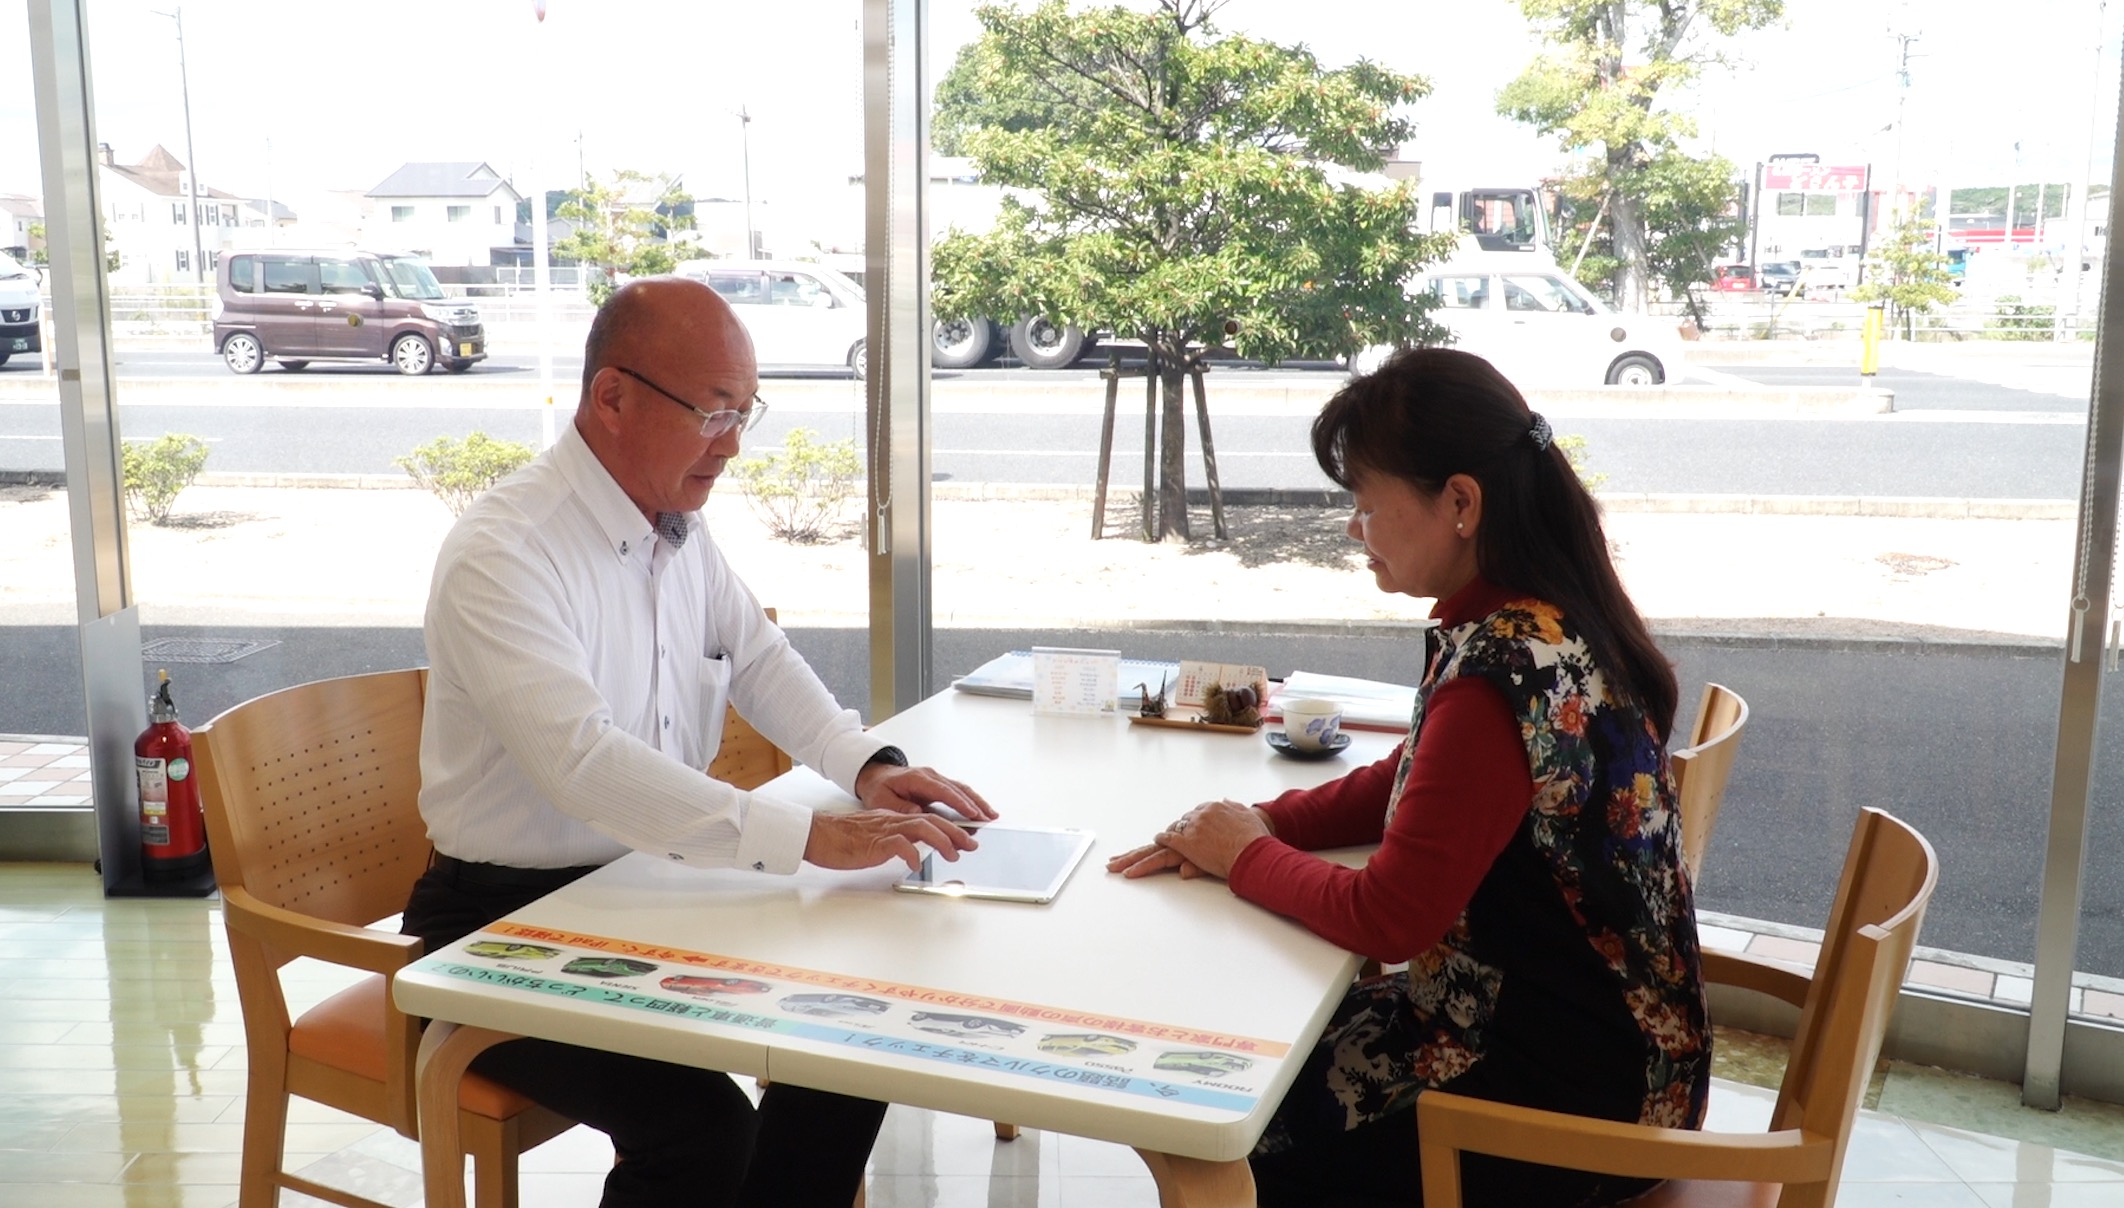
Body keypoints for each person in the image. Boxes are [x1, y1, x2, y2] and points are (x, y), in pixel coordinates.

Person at [401, 276, 996, 1208]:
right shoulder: (506, 550)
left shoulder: (673, 525)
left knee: (856, 1029)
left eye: (745, 411)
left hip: (644, 887)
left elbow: (757, 656)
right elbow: (582, 763)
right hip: (501, 926)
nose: (734, 444)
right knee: (701, 1130)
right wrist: (803, 836)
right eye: (714, 412)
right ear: (612, 397)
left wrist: (870, 768)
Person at [1108, 348, 1709, 1207]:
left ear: (1460, 503)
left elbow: (1390, 918)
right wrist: (1262, 824)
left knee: (1226, 1104)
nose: (1356, 529)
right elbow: (1415, 776)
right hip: (1617, 1058)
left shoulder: (1497, 668)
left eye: (1365, 503)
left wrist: (1244, 854)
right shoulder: (1545, 617)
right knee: (1247, 1056)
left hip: (1566, 1104)